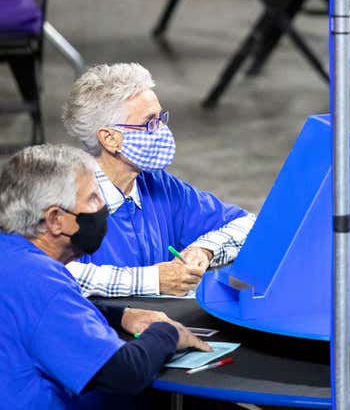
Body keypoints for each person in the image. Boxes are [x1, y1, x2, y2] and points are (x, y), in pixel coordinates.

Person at [0, 144, 211, 409]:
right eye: (92, 198)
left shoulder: (10, 254)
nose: (103, 208)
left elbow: (34, 317)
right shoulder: (41, 282)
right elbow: (125, 373)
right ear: (55, 219)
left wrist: (120, 314)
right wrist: (168, 333)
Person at [62, 63, 256, 297]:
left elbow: (248, 224)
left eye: (161, 118)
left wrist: (205, 249)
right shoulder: (67, 199)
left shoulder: (158, 185)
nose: (162, 130)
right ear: (110, 138)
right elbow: (45, 273)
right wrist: (151, 281)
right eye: (149, 123)